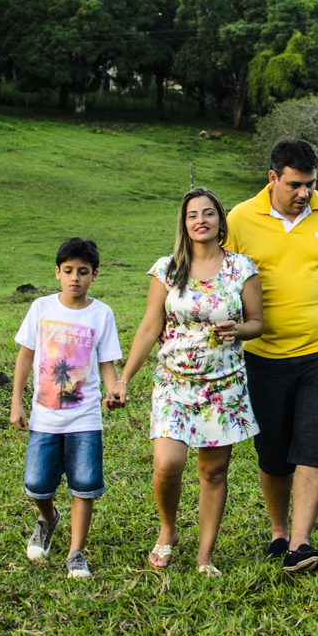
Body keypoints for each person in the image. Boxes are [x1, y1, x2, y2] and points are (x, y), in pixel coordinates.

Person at [226, 139, 318, 574]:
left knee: (316, 439)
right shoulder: (239, 218)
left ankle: (301, 544)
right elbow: (221, 276)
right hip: (261, 353)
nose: (304, 193)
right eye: (294, 184)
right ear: (272, 178)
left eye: (310, 184)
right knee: (271, 450)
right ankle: (279, 533)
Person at [115, 188, 263, 577]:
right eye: (193, 214)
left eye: (209, 213)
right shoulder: (167, 268)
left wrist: (240, 330)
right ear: (184, 223)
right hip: (173, 382)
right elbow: (150, 326)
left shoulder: (241, 268)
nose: (201, 219)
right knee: (167, 465)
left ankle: (205, 556)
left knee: (213, 473)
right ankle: (168, 530)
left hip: (224, 385)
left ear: (220, 222)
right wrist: (125, 378)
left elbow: (258, 323)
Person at [10, 237, 123, 579]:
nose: (76, 277)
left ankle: (76, 553)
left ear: (95, 275)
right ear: (57, 273)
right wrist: (16, 401)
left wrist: (114, 389)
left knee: (85, 484)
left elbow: (106, 362)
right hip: (44, 417)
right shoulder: (41, 308)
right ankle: (48, 518)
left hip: (85, 416)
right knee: (36, 484)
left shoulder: (101, 313)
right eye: (69, 270)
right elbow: (26, 355)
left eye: (84, 272)